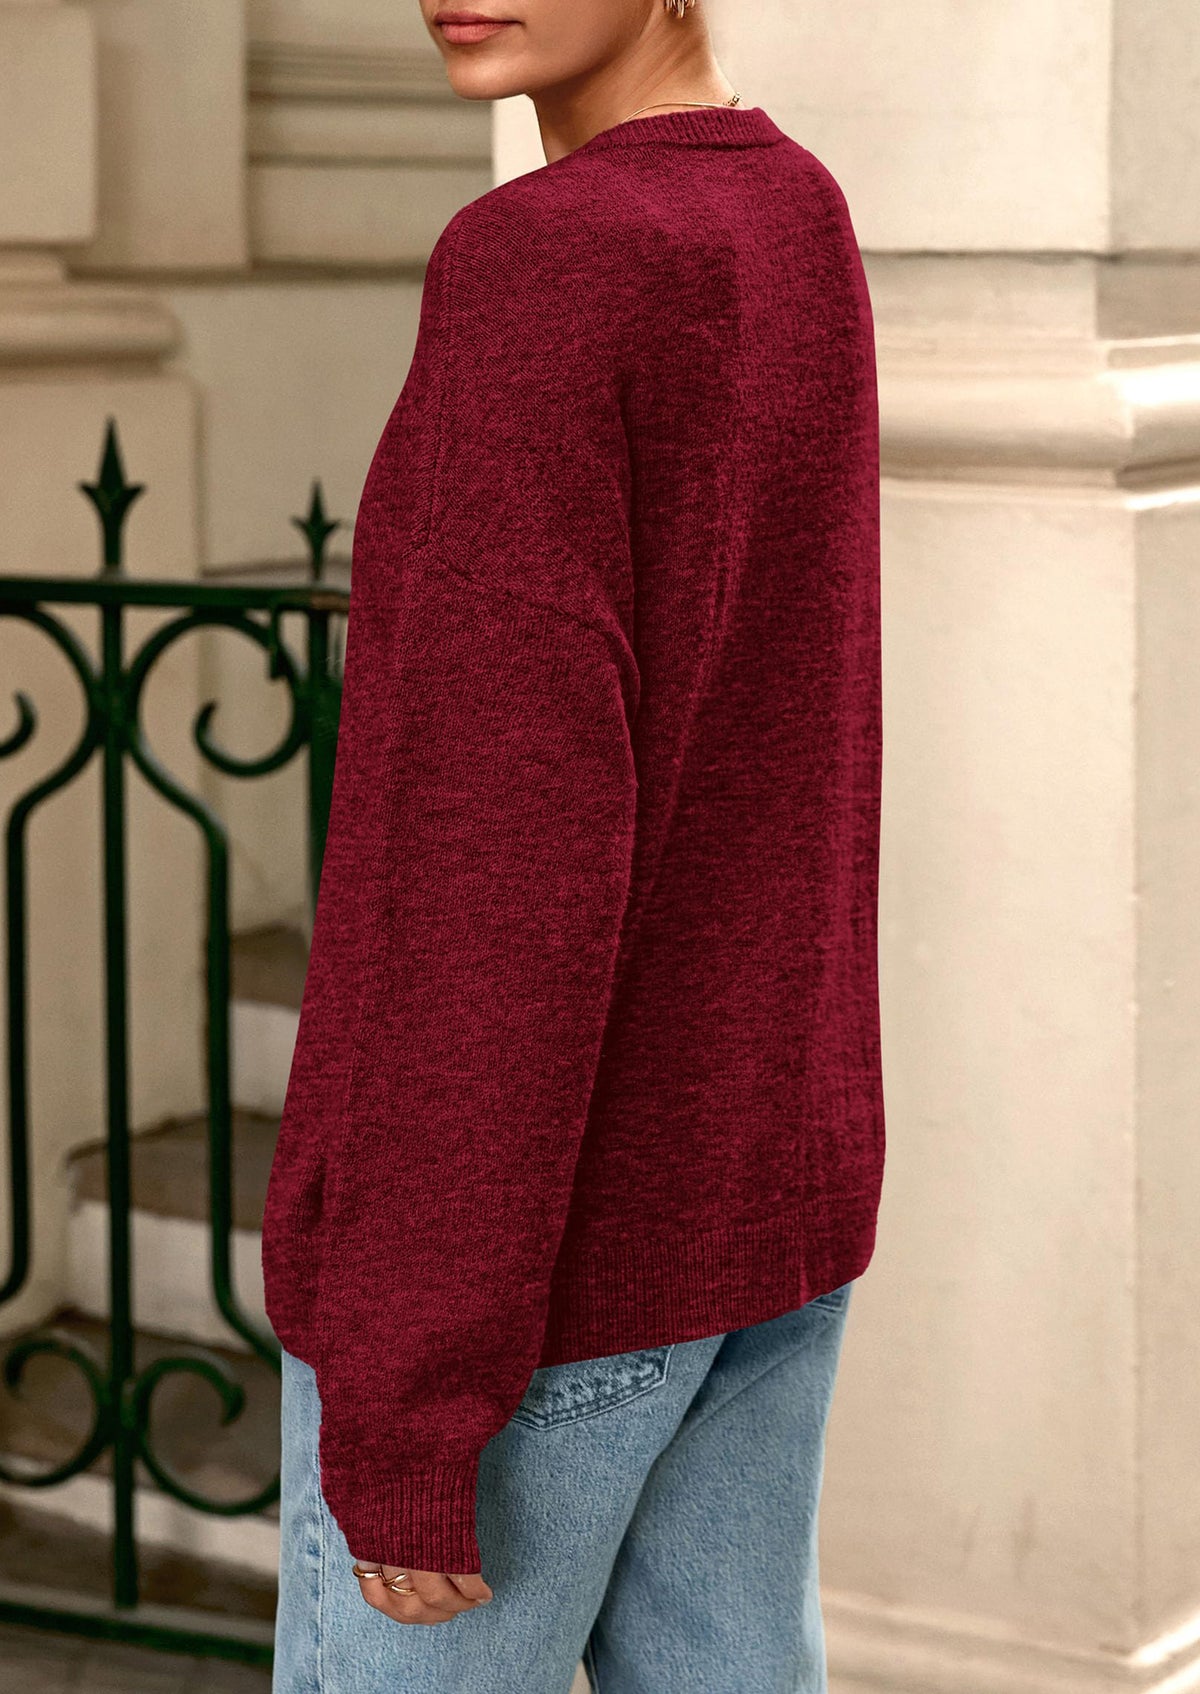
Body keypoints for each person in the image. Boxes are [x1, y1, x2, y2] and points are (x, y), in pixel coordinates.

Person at [262, 0, 885, 1687]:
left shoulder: (541, 260)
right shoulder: (789, 208)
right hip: (752, 1222)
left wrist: (413, 1382)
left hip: (530, 1296)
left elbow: (492, 865)